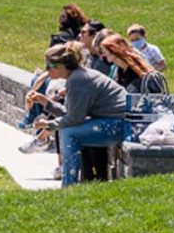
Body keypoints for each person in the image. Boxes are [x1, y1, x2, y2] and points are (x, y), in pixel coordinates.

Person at [43, 43, 132, 186]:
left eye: (49, 65)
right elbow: (73, 114)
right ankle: (71, 182)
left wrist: (50, 125)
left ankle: (69, 184)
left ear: (61, 66)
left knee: (69, 133)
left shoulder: (78, 80)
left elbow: (75, 119)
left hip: (120, 124)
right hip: (115, 122)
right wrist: (46, 103)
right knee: (67, 129)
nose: (46, 70)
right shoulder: (77, 76)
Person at [96, 32, 167, 94]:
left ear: (114, 51)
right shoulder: (118, 72)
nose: (103, 55)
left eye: (104, 52)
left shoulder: (139, 72)